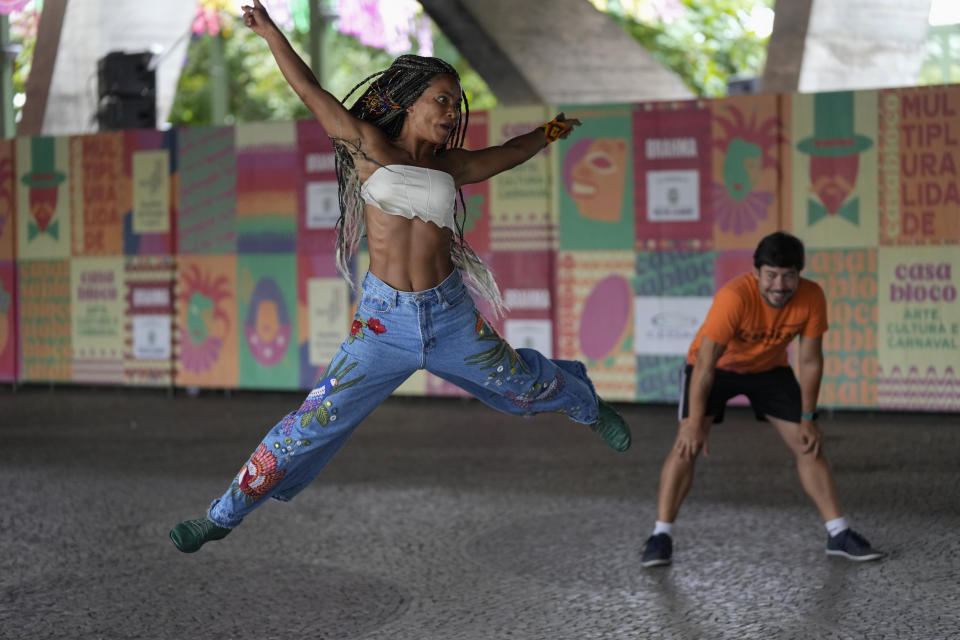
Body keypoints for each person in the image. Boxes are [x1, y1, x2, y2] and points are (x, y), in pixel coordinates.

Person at [169, 0, 631, 553]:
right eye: (441, 100)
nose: (450, 113)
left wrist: (552, 129)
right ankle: (220, 516)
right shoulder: (367, 145)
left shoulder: (449, 167)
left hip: (450, 317)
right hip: (381, 327)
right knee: (310, 423)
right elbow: (311, 93)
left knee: (528, 386)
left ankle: (588, 406)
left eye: (455, 105)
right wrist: (270, 33)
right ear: (409, 103)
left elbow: (510, 153)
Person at [640, 231, 883, 567]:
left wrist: (809, 419)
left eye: (789, 276)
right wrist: (694, 423)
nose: (780, 285)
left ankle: (838, 533)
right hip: (714, 370)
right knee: (687, 444)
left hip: (769, 370)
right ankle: (660, 535)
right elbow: (706, 364)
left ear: (799, 274)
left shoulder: (812, 297)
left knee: (807, 442)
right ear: (757, 274)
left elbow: (811, 360)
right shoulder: (734, 298)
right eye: (771, 275)